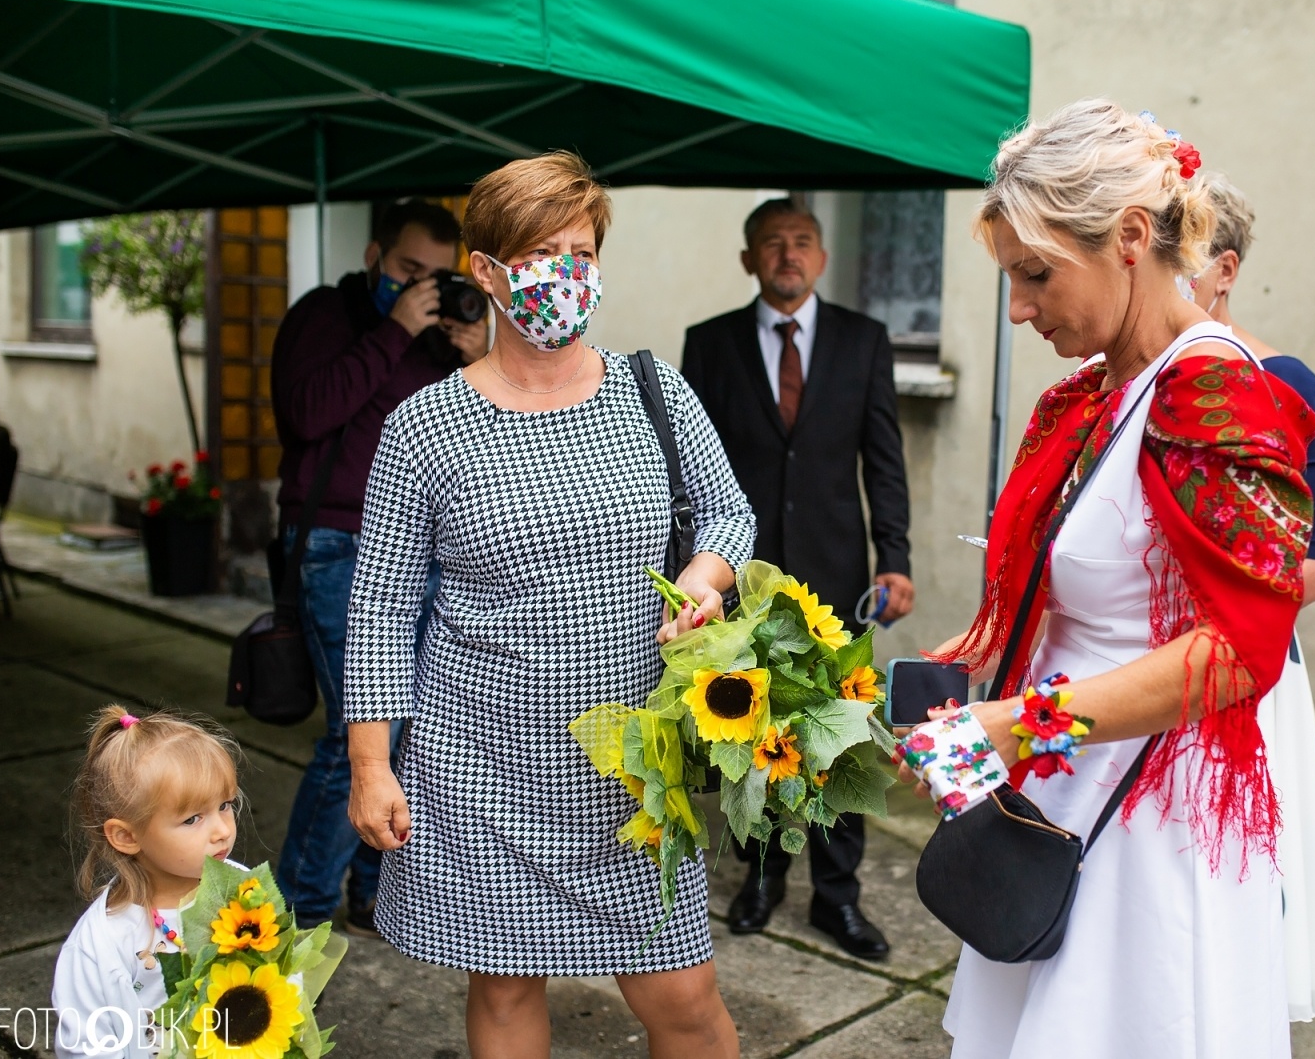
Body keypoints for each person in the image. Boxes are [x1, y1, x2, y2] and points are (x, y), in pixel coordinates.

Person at [900, 100, 1315, 1058]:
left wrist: (1016, 725)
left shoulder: (1210, 392)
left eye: (1035, 275)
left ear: (1131, 237)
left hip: (1148, 828)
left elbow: (1240, 654)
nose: (1017, 308)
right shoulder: (1103, 391)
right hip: (1065, 793)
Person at [343, 152, 755, 1059]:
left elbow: (728, 510)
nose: (565, 272)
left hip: (631, 777)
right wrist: (371, 765)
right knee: (504, 988)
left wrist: (706, 575)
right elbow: (377, 605)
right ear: (487, 272)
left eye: (581, 250)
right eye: (539, 253)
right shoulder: (425, 427)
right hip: (480, 764)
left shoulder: (655, 392)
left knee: (683, 996)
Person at [682, 197, 913, 961]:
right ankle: (760, 877)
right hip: (743, 581)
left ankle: (837, 897)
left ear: (820, 258)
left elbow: (883, 457)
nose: (789, 254)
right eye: (772, 243)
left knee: (841, 738)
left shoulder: (864, 340)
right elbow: (687, 474)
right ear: (749, 259)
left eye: (803, 242)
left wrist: (896, 557)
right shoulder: (709, 345)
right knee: (755, 736)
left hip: (838, 575)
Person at [270, 199, 487, 935]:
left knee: (415, 731)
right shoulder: (326, 316)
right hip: (336, 542)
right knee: (360, 733)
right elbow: (304, 414)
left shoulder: (440, 341)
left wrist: (477, 357)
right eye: (406, 270)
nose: (422, 288)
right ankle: (294, 915)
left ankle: (373, 891)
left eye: (437, 275)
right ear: (373, 255)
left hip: (425, 551)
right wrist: (393, 332)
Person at [1191, 172, 1315, 1021]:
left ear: (1224, 270)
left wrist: (1201, 583)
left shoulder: (1281, 380)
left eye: (1178, 252)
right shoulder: (1108, 381)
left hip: (1242, 673)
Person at [53, 706, 242, 1059]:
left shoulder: (241, 887)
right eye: (192, 819)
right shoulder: (103, 944)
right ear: (126, 836)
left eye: (225, 805)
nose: (222, 831)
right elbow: (87, 1046)